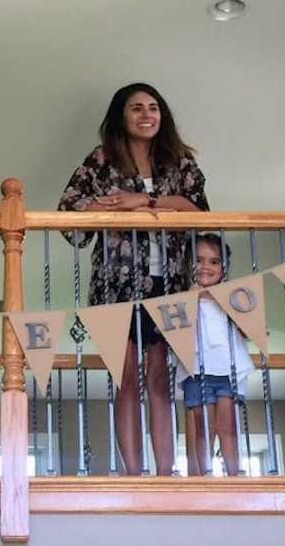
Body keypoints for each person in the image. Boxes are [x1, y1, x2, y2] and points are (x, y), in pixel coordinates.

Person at [58, 82, 209, 475]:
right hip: (116, 282)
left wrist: (143, 201)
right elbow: (68, 213)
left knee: (160, 379)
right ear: (121, 117)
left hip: (170, 281)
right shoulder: (103, 159)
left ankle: (164, 473)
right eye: (137, 108)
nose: (147, 115)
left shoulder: (179, 162)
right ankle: (134, 474)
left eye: (153, 107)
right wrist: (108, 210)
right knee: (126, 380)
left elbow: (199, 212)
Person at [180, 233, 254, 476]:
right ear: (188, 263)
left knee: (228, 427)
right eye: (199, 260)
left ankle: (234, 475)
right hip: (197, 369)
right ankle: (205, 476)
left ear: (224, 268)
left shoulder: (234, 296)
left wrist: (222, 300)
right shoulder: (181, 299)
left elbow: (248, 329)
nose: (205, 267)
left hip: (228, 370)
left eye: (214, 262)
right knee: (202, 429)